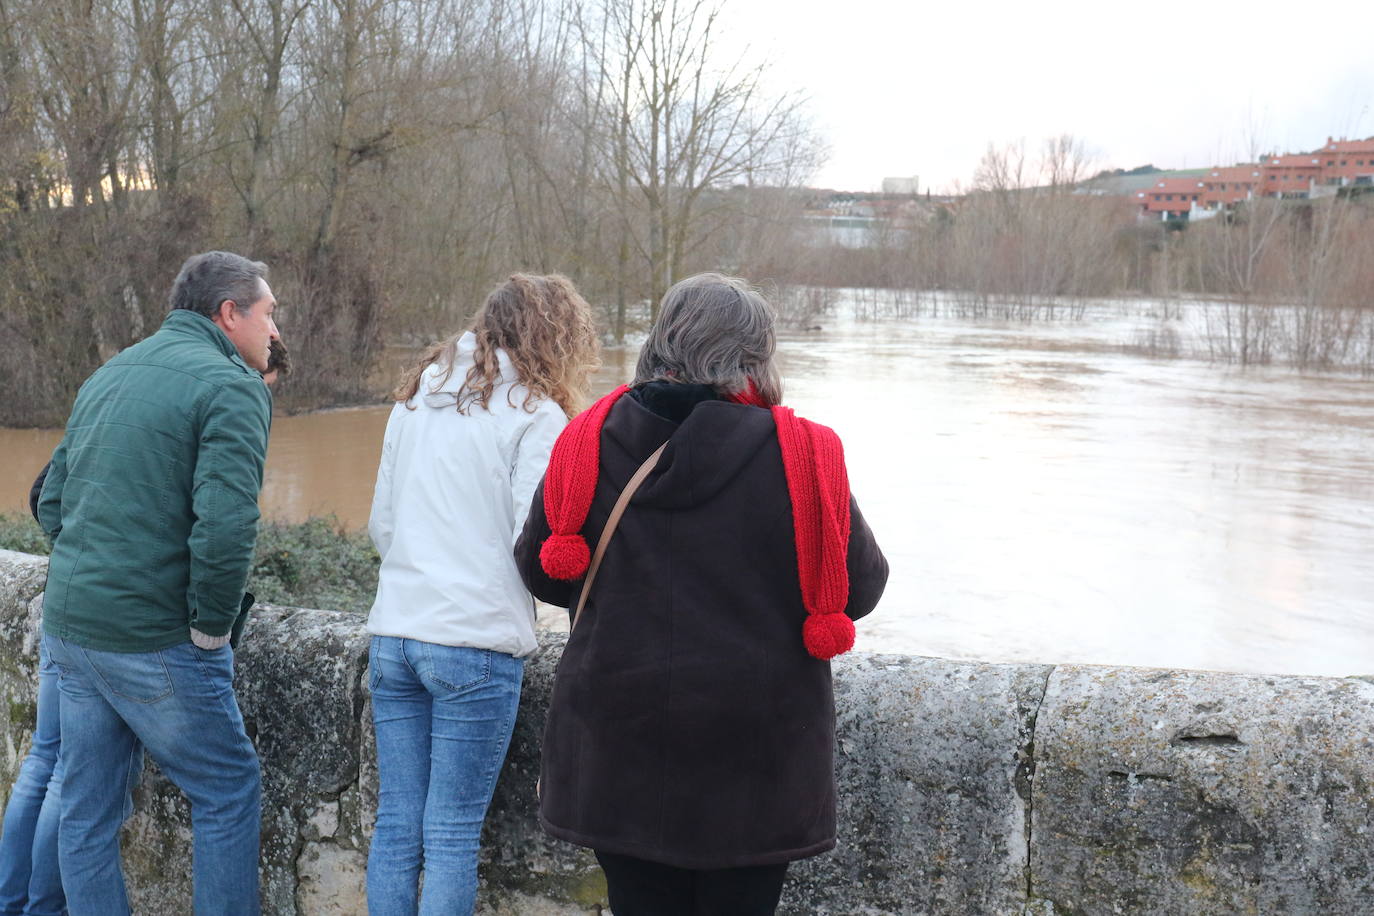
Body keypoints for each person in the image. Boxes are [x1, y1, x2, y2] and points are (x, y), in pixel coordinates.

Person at [514, 273, 889, 916]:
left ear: (661, 343)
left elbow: (545, 571)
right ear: (755, 356)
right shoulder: (803, 454)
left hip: (618, 749)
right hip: (755, 762)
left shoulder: (589, 438)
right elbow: (857, 590)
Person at [37, 250, 278, 915]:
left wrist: (99, 572)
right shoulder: (231, 386)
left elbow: (52, 503)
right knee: (227, 790)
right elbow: (226, 526)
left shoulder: (111, 371)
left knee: (88, 811)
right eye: (268, 314)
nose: (274, 333)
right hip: (155, 637)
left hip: (72, 627)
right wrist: (208, 629)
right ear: (230, 313)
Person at [365, 274, 599, 915]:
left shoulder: (413, 398)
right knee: (449, 834)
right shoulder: (538, 415)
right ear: (555, 338)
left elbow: (382, 525)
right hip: (474, 642)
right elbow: (535, 542)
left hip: (395, 634)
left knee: (396, 824)